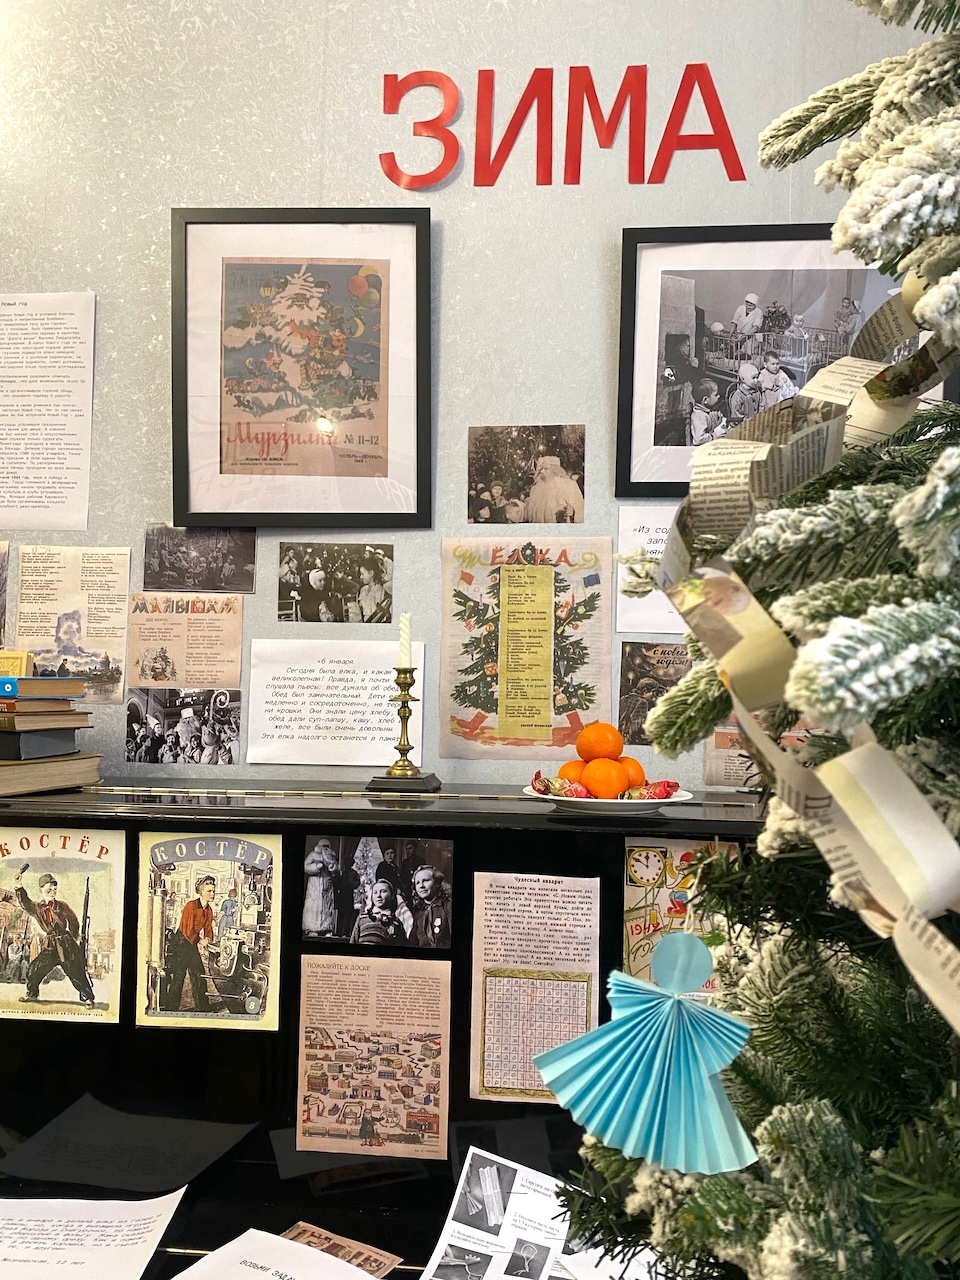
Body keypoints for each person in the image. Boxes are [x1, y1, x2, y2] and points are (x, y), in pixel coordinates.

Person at [4, 870, 94, 1007]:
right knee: (34, 969)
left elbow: (73, 921)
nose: (53, 891)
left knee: (76, 971)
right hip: (50, 945)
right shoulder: (37, 907)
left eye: (54, 888)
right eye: (49, 888)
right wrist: (18, 885)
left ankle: (88, 998)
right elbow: (25, 903)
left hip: (66, 944)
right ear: (42, 889)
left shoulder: (62, 906)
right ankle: (32, 994)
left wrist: (76, 936)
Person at [162, 874, 217, 1012]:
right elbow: (187, 930)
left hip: (191, 944)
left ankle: (203, 1008)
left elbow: (208, 929)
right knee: (178, 977)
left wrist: (208, 940)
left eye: (213, 891)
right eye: (209, 891)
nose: (212, 894)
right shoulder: (191, 906)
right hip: (181, 943)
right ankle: (170, 1009)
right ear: (201, 891)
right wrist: (200, 940)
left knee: (199, 974)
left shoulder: (209, 910)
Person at [302, 839, 357, 937]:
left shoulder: (331, 858)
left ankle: (327, 928)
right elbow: (306, 866)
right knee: (314, 906)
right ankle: (312, 928)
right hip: (315, 884)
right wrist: (315, 867)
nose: (325, 849)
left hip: (327, 885)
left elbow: (337, 872)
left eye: (327, 847)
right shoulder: (313, 855)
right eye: (323, 847)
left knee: (327, 907)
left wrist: (333, 869)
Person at [524, 456, 584, 523]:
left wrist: (573, 512)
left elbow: (580, 508)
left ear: (555, 470)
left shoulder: (569, 485)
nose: (542, 471)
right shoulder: (535, 489)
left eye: (546, 468)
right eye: (541, 468)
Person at [350, 879, 407, 944]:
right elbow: (353, 940)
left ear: (392, 895)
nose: (378, 896)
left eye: (383, 891)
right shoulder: (362, 918)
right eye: (375, 892)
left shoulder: (396, 923)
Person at [411, 865, 452, 948]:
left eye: (426, 880)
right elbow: (413, 942)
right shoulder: (418, 912)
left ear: (437, 883)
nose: (421, 886)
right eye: (417, 883)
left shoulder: (448, 907)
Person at [689, 379, 729, 445]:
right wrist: (716, 435)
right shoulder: (699, 416)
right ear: (705, 400)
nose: (718, 396)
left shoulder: (710, 410)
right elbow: (699, 439)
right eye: (716, 395)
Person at [357, 556, 390, 622]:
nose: (361, 577)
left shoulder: (379, 590)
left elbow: (379, 615)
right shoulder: (363, 590)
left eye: (362, 574)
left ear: (371, 573)